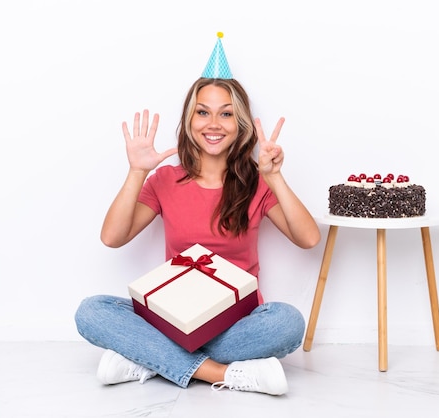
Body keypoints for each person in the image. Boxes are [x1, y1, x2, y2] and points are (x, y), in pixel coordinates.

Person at [74, 34, 321, 396]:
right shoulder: (166, 179)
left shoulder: (256, 181)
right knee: (91, 311)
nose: (213, 123)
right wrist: (136, 171)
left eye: (226, 114)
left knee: (286, 323)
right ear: (189, 121)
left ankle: (146, 360)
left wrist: (274, 177)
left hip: (234, 321)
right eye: (203, 112)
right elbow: (113, 237)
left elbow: (308, 239)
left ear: (240, 124)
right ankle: (220, 372)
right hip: (169, 318)